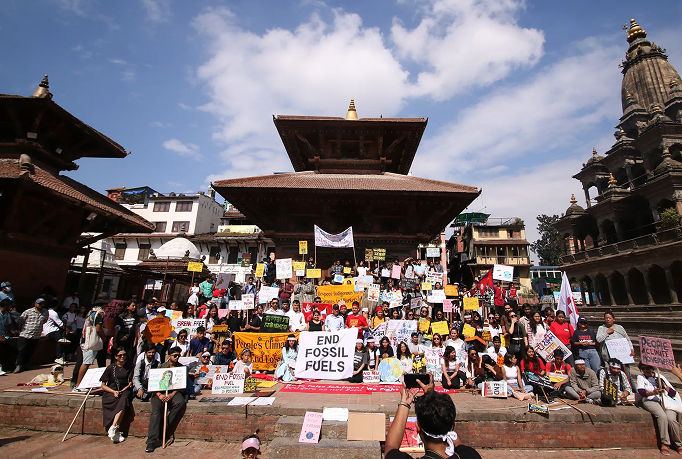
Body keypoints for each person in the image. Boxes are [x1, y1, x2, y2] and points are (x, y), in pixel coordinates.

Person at [385, 375, 482, 459]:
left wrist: (405, 403)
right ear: (453, 426)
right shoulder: (470, 455)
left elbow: (391, 447)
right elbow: (459, 444)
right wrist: (430, 396)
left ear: (417, 427)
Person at [145, 347, 187, 453]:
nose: (177, 357)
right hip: (159, 393)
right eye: (175, 355)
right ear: (169, 356)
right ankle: (151, 440)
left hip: (173, 392)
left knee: (180, 403)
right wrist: (160, 395)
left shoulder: (181, 368)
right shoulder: (160, 367)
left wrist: (172, 395)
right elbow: (153, 384)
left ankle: (164, 428)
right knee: (156, 412)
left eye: (178, 356)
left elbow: (180, 385)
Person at [637, 362, 680, 454]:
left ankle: (678, 443)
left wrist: (664, 386)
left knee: (671, 419)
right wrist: (653, 392)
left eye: (648, 368)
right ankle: (665, 443)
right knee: (662, 416)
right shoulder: (641, 377)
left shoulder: (660, 377)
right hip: (651, 400)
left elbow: (673, 393)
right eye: (643, 369)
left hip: (666, 401)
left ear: (652, 368)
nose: (646, 371)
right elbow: (641, 392)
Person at [100, 347, 134, 443]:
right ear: (115, 357)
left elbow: (130, 382)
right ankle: (116, 431)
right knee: (117, 401)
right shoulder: (111, 368)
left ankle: (114, 426)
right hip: (111, 391)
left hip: (124, 390)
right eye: (120, 355)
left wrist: (124, 389)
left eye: (124, 355)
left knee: (124, 400)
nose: (122, 357)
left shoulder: (130, 366)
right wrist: (113, 392)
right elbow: (103, 385)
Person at [14, 298, 49, 373]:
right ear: (35, 304)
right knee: (22, 351)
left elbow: (44, 321)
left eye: (42, 303)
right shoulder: (28, 311)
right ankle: (18, 365)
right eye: (39, 303)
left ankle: (25, 365)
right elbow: (20, 321)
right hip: (25, 334)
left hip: (36, 336)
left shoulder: (45, 312)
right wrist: (18, 330)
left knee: (30, 351)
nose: (41, 305)